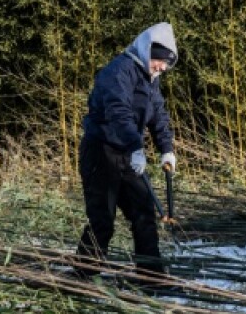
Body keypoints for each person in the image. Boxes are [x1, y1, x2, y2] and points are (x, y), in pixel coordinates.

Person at [76, 22, 179, 282]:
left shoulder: (150, 78)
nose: (162, 67)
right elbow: (118, 112)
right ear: (147, 51)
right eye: (160, 61)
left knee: (144, 213)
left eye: (166, 64)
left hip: (129, 154)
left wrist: (166, 148)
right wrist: (136, 146)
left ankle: (151, 277)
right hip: (102, 152)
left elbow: (158, 114)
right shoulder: (118, 71)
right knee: (103, 218)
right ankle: (83, 276)